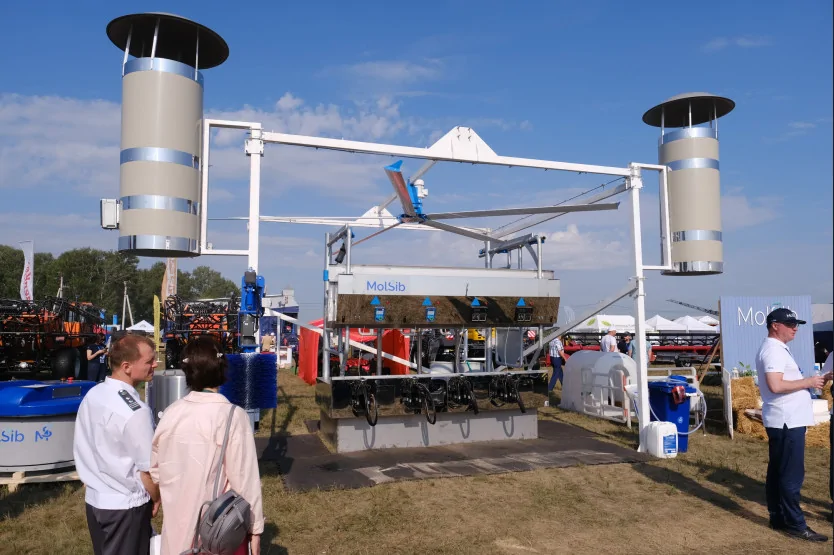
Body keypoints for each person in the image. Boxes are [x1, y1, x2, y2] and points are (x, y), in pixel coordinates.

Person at [151, 337, 264, 555]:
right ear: (222, 369)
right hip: (217, 530)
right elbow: (245, 479)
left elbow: (155, 470)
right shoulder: (232, 416)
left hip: (175, 526)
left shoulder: (171, 413)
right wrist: (255, 529)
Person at [73, 334, 160, 555]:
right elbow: (147, 470)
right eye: (149, 361)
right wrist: (157, 498)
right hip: (125, 507)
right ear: (126, 367)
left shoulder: (94, 394)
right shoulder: (136, 412)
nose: (155, 364)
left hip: (96, 501)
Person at [755, 308, 832, 542]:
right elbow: (776, 385)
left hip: (785, 419)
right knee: (791, 474)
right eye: (790, 324)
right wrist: (808, 381)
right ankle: (796, 524)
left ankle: (778, 517)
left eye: (796, 324)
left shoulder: (777, 348)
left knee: (779, 470)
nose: (795, 328)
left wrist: (819, 379)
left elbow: (784, 382)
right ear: (775, 325)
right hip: (787, 420)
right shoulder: (773, 350)